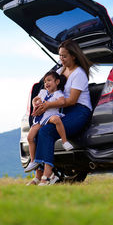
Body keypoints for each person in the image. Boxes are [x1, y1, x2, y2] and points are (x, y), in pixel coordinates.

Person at [27, 39, 93, 186]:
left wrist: (47, 105)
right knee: (39, 131)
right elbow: (47, 88)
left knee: (47, 131)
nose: (61, 59)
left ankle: (49, 175)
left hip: (79, 111)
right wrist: (38, 103)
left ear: (73, 56)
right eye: (60, 56)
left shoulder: (79, 74)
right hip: (64, 111)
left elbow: (72, 100)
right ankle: (38, 175)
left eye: (64, 56)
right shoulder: (60, 71)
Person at [24, 71, 74, 173]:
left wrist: (48, 104)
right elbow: (35, 99)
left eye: (49, 80)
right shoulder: (42, 92)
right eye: (45, 81)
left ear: (57, 82)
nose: (46, 83)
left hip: (50, 115)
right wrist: (35, 103)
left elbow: (62, 102)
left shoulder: (58, 93)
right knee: (30, 137)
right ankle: (33, 161)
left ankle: (65, 141)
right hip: (40, 117)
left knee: (56, 120)